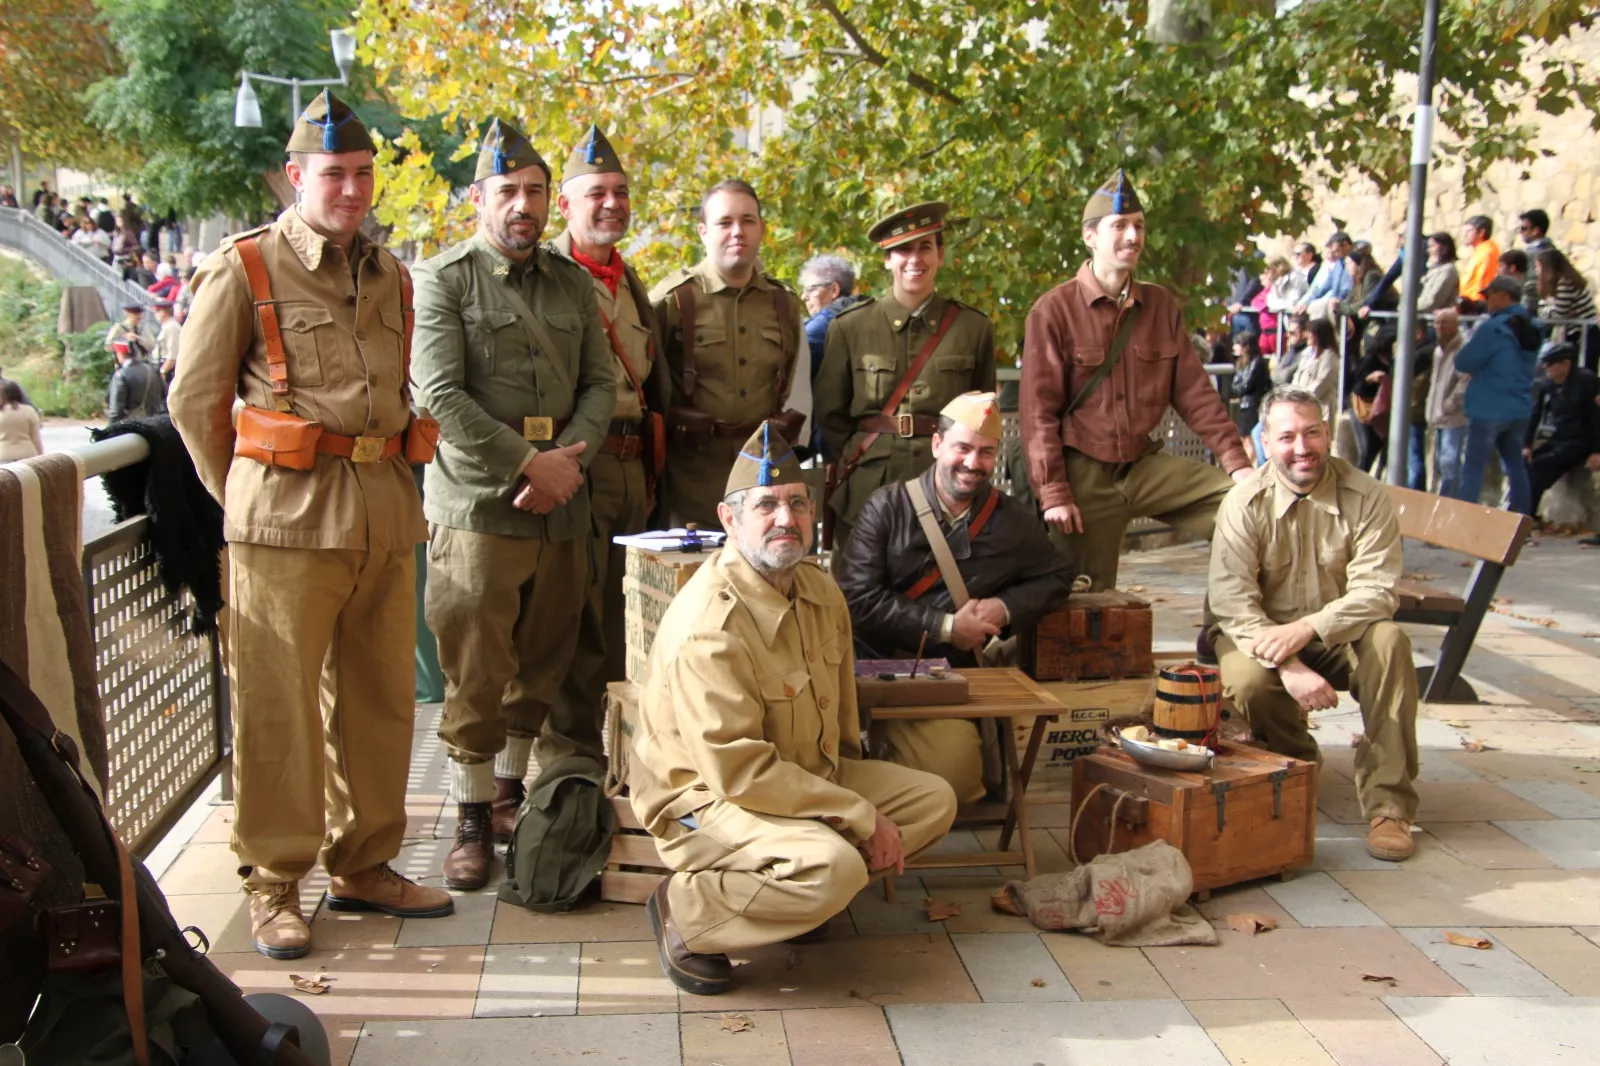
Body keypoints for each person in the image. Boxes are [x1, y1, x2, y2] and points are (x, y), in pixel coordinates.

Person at [168, 91, 452, 960]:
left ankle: (363, 863)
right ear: (296, 176)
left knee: (380, 702)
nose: (352, 190)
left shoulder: (392, 273)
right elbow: (194, 401)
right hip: (285, 524)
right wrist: (245, 500)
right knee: (278, 710)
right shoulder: (247, 267)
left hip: (383, 517)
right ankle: (274, 881)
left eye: (363, 174)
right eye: (334, 174)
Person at [628, 420, 957, 996]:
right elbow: (738, 773)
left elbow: (842, 720)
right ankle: (690, 909)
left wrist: (848, 802)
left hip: (802, 778)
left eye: (798, 503)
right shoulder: (711, 627)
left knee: (933, 801)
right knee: (837, 866)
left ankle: (794, 894)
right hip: (705, 801)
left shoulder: (818, 590)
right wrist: (855, 815)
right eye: (766, 505)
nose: (786, 518)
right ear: (729, 519)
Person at [411, 118, 616, 891]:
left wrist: (568, 465)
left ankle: (507, 796)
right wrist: (531, 463)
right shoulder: (445, 279)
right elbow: (438, 393)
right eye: (507, 191)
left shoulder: (571, 282)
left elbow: (600, 383)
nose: (522, 205)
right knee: (475, 666)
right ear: (479, 199)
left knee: (542, 659)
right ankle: (468, 817)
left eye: (534, 190)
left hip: (561, 502)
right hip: (480, 507)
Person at [1210, 386, 1419, 861]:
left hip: (1342, 635)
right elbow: (1232, 603)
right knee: (1247, 678)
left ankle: (1389, 806)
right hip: (1259, 634)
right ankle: (1297, 764)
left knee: (1390, 642)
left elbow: (1378, 590)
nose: (1302, 448)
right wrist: (1288, 664)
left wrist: (1307, 630)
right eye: (1287, 437)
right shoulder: (1243, 502)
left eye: (1312, 433)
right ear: (1265, 442)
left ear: (1328, 434)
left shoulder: (1366, 495)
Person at [835, 392, 1073, 803]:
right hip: (873, 671)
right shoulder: (886, 508)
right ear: (937, 445)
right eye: (962, 448)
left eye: (986, 452)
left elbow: (1057, 576)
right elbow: (855, 598)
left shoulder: (1014, 520)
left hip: (943, 680)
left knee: (955, 780)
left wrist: (1005, 608)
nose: (972, 463)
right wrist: (945, 627)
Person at [1020, 168, 1250, 591]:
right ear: (1090, 236)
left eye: (1139, 226)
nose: (1133, 236)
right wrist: (1053, 492)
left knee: (1245, 511)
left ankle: (1224, 623)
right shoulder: (1053, 311)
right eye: (1120, 226)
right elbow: (1038, 413)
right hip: (1083, 476)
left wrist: (1237, 464)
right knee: (1082, 600)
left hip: (1142, 466)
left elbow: (1196, 394)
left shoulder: (1161, 305)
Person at [545, 122, 671, 843]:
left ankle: (624, 760)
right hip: (575, 464)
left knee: (629, 620)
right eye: (596, 192)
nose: (611, 203)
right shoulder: (547, 276)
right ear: (565, 204)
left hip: (629, 468)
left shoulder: (631, 282)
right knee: (572, 617)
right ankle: (567, 770)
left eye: (620, 192)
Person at [815, 202, 995, 548]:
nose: (915, 259)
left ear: (940, 255)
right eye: (903, 250)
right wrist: (861, 455)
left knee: (946, 578)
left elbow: (982, 416)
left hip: (947, 487)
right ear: (887, 259)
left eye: (925, 247)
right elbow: (830, 413)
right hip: (868, 488)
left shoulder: (973, 329)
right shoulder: (850, 327)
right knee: (860, 579)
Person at [649, 179, 806, 528]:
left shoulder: (783, 303)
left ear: (762, 229)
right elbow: (647, 388)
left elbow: (786, 380)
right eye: (725, 222)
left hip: (762, 473)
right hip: (690, 477)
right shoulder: (673, 300)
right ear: (703, 231)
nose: (738, 231)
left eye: (748, 221)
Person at [1453, 275, 1540, 514]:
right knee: (1516, 466)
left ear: (1503, 295)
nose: (1486, 301)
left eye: (1489, 295)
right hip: (1519, 407)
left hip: (1488, 408)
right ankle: (1522, 520)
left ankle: (1464, 519)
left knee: (1473, 468)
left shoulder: (1493, 328)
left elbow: (1463, 361)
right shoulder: (1533, 326)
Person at [1524, 343, 1600, 519]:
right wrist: (1526, 444)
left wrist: (1597, 451)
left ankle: (1526, 517)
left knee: (1539, 467)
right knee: (1526, 466)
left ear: (1566, 364)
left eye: (1551, 364)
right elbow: (1535, 414)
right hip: (1558, 437)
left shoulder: (1586, 381)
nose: (1546, 369)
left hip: (1580, 440)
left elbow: (1596, 418)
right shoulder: (1548, 384)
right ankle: (1523, 514)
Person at [797, 253, 868, 393]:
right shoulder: (869, 311)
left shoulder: (824, 323)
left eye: (811, 289)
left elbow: (790, 361)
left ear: (834, 290)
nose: (804, 297)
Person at [1425, 309, 1471, 498]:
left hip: (1454, 417)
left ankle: (1449, 502)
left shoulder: (1463, 350)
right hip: (1438, 415)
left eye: (1443, 322)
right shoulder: (1438, 350)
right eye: (1437, 323)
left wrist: (1449, 405)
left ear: (1455, 325)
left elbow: (1466, 382)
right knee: (1440, 463)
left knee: (1450, 462)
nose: (1439, 327)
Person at [1534, 248, 1600, 371]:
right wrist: (1559, 311)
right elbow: (1543, 310)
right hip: (1573, 333)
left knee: (1584, 372)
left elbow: (1558, 315)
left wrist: (1554, 311)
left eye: (1538, 266)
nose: (1536, 270)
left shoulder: (1565, 283)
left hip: (1584, 334)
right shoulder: (1554, 285)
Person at [106, 336, 166, 423]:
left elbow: (115, 412)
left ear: (119, 354)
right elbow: (165, 397)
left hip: (133, 425)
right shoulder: (153, 370)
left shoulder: (121, 375)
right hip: (155, 423)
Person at [1290, 317, 1341, 420]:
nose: (1307, 335)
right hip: (1301, 404)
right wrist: (1293, 394)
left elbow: (1322, 382)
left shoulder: (1329, 356)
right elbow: (1297, 375)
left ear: (1320, 335)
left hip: (1321, 407)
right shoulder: (1306, 353)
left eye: (1311, 333)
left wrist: (1302, 397)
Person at [1296, 231, 1353, 321]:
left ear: (1346, 245)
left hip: (1347, 303)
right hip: (1334, 302)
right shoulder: (1338, 264)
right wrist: (1306, 302)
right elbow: (1322, 288)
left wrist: (1338, 299)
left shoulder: (1354, 262)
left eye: (1337, 251)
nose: (1335, 255)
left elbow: (1349, 288)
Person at [1259, 255, 1305, 355]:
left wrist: (1280, 304)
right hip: (1287, 318)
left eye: (1268, 270)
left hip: (1299, 318)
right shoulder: (1276, 281)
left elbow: (1293, 302)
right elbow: (1270, 302)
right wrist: (1282, 304)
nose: (1266, 273)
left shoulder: (1295, 277)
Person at [1232, 332, 1270, 447]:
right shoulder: (1242, 363)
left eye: (1237, 343)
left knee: (1250, 439)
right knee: (1243, 438)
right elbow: (1235, 385)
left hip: (1253, 405)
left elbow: (1245, 385)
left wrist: (1238, 388)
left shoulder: (1257, 362)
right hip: (1244, 405)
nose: (1234, 347)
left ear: (1246, 346)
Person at [1458, 214, 1500, 309]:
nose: (1464, 235)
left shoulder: (1487, 252)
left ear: (1481, 232)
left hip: (1477, 304)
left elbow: (1482, 282)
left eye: (1468, 231)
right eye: (1464, 231)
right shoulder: (1481, 250)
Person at [0, 380, 43, 461]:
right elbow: (36, 438)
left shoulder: (1, 412)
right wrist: (41, 456)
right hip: (27, 454)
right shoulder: (29, 410)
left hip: (4, 455)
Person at [152, 298, 181, 384]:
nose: (155, 314)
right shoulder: (167, 326)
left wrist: (163, 371)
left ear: (163, 312)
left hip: (168, 370)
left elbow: (173, 355)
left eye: (156, 311)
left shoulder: (171, 327)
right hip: (163, 365)